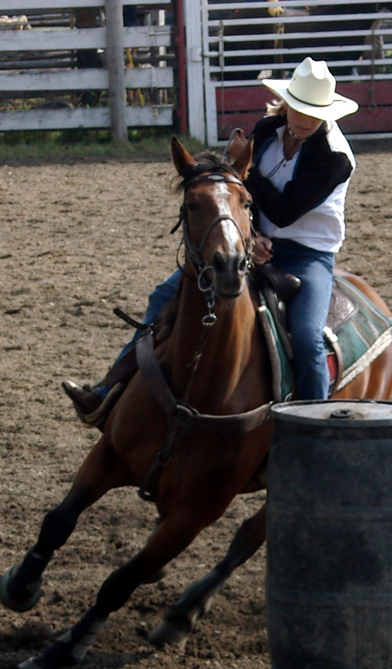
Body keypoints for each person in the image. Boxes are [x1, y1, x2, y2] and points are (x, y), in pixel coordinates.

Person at [63, 56, 358, 423]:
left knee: (306, 335)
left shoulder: (335, 158)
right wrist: (254, 234)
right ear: (289, 102)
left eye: (314, 112)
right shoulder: (268, 129)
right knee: (163, 296)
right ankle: (109, 387)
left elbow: (285, 209)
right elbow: (236, 193)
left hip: (307, 255)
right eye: (299, 108)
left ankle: (313, 427)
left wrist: (238, 162)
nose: (304, 118)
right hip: (249, 240)